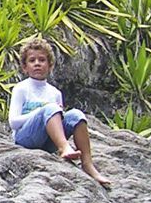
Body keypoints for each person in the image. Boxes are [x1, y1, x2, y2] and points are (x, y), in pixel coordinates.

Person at [8, 37, 111, 187]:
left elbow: (59, 121)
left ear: (50, 65)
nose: (37, 63)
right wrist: (41, 112)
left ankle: (87, 164)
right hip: (26, 139)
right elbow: (13, 122)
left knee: (76, 115)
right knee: (51, 108)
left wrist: (49, 112)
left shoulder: (54, 93)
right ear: (25, 67)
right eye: (32, 60)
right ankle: (64, 148)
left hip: (48, 143)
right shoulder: (21, 88)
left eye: (42, 60)